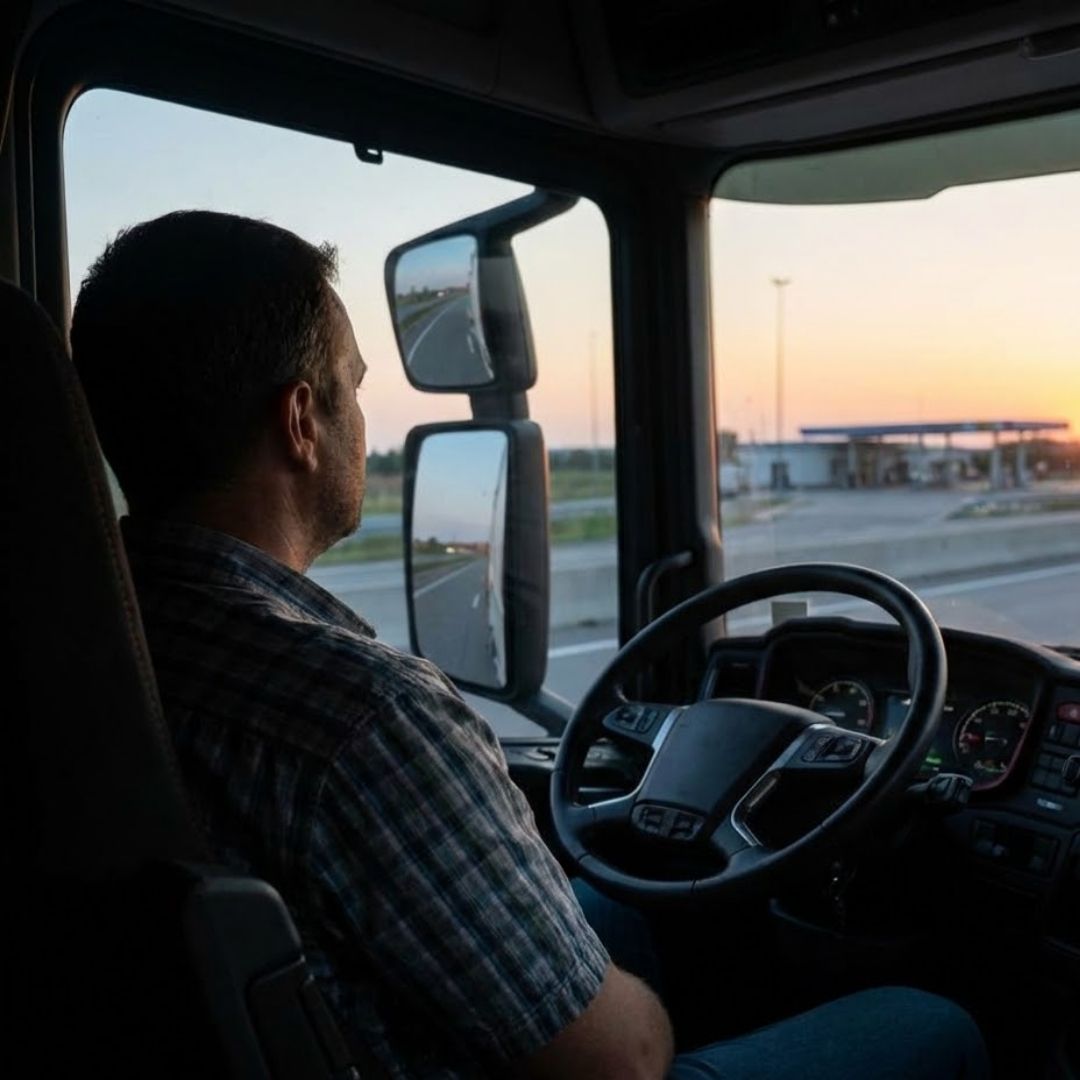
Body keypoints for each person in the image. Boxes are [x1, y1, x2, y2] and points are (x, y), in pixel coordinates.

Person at [71, 210, 989, 1080]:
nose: (362, 418)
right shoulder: (358, 717)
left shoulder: (84, 648)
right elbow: (619, 1066)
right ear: (301, 421)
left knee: (631, 908)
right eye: (353, 386)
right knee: (933, 1024)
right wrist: (650, 1020)